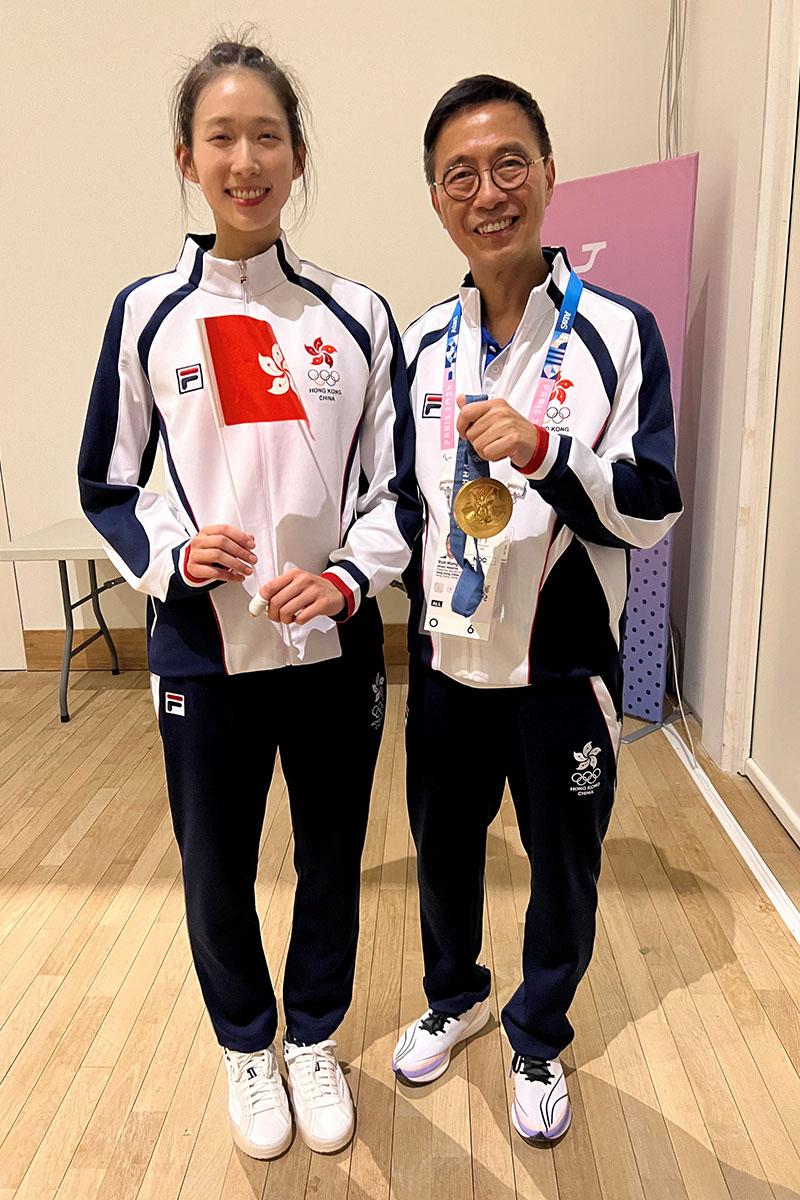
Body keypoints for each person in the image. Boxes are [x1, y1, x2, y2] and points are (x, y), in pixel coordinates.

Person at [78, 39, 419, 1159]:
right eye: (220, 137)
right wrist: (176, 555)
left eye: (266, 135)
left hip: (331, 650)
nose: (245, 159)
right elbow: (107, 485)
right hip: (203, 652)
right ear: (187, 158)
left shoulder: (355, 315)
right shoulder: (146, 314)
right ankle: (245, 1046)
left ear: (298, 155)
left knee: (330, 857)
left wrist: (346, 578)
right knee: (215, 867)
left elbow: (398, 491)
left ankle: (312, 1037)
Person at [392, 74, 682, 1143]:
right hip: (444, 662)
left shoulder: (617, 331)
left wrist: (549, 453)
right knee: (442, 848)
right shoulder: (420, 341)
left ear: (550, 174)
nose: (488, 192)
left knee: (564, 864)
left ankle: (537, 1032)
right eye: (459, 175)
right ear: (436, 199)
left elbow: (652, 506)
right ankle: (456, 994)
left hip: (562, 669)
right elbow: (399, 504)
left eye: (509, 163)